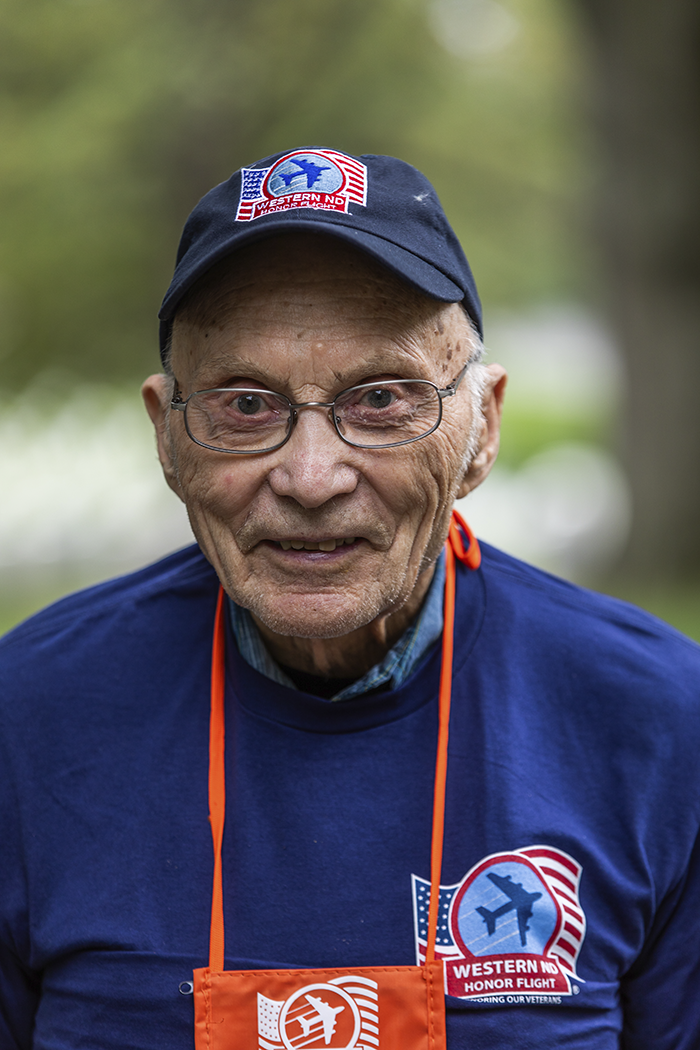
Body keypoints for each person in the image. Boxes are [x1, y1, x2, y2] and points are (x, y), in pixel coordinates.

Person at [0, 148, 698, 1050]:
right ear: (167, 438)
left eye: (381, 399)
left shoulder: (660, 723)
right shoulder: (24, 720)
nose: (312, 476)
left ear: (481, 429)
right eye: (246, 405)